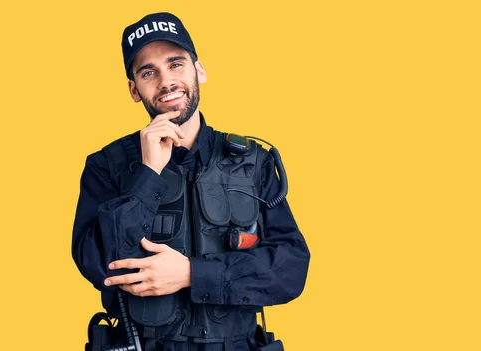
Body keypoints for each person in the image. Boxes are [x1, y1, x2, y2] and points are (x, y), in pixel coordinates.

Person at [72, 12, 310, 351]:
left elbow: (291, 269)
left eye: (176, 64)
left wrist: (191, 274)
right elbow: (98, 265)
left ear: (199, 70)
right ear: (134, 90)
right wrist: (148, 175)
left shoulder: (253, 162)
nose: (166, 81)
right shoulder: (105, 166)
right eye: (148, 72)